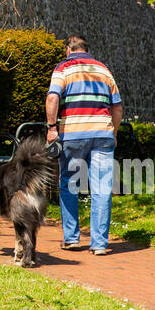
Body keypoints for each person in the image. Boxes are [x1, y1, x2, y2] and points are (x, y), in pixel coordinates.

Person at [45, 35, 122, 255]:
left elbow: (52, 98)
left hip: (73, 133)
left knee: (69, 184)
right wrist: (114, 133)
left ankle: (71, 239)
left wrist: (52, 128)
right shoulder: (103, 70)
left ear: (69, 49)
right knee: (102, 188)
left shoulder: (63, 68)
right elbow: (117, 108)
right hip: (102, 134)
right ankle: (99, 244)